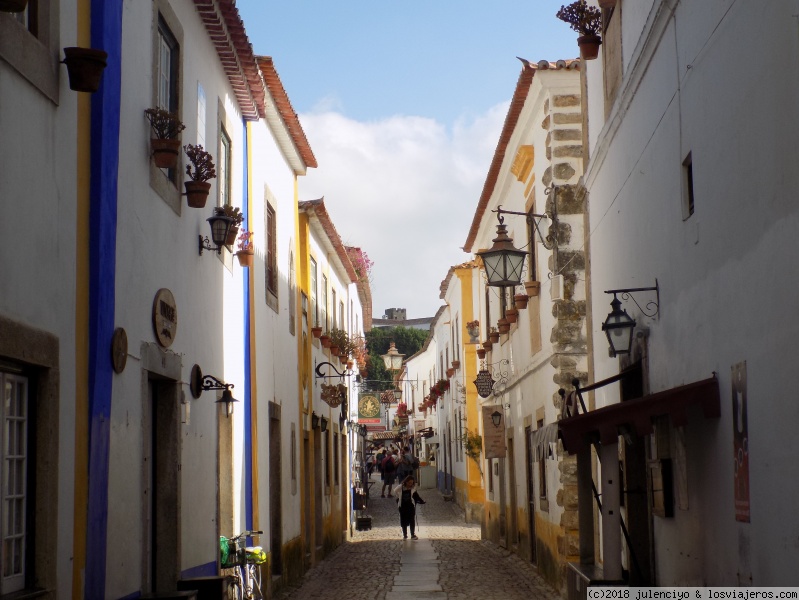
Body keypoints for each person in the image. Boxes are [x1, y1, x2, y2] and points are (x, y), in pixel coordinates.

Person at [392, 474, 425, 539]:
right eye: (409, 482)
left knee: (411, 520)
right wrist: (398, 498)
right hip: (403, 507)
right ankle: (405, 535)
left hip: (410, 506)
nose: (410, 484)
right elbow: (395, 491)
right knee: (403, 520)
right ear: (406, 481)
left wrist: (421, 501)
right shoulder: (401, 487)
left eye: (411, 483)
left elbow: (416, 496)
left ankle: (412, 534)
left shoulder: (413, 488)